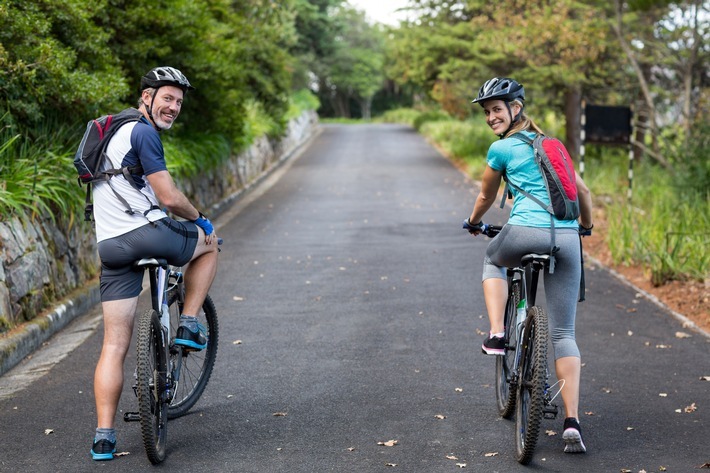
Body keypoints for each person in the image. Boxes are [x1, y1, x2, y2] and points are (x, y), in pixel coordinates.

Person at [89, 67, 220, 461]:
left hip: (110, 246)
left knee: (113, 344)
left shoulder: (113, 133)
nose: (174, 107)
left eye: (179, 102)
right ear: (146, 96)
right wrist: (200, 219)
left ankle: (104, 437)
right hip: (146, 233)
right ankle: (190, 323)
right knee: (210, 245)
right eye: (167, 98)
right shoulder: (143, 132)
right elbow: (168, 197)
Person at [463, 77, 593, 454]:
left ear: (515, 109)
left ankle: (500, 333)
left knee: (492, 260)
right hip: (567, 240)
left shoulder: (500, 149)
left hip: (524, 232)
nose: (491, 117)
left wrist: (473, 222)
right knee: (564, 332)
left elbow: (487, 194)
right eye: (487, 112)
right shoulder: (554, 146)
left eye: (497, 110)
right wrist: (584, 227)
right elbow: (583, 191)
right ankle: (572, 422)